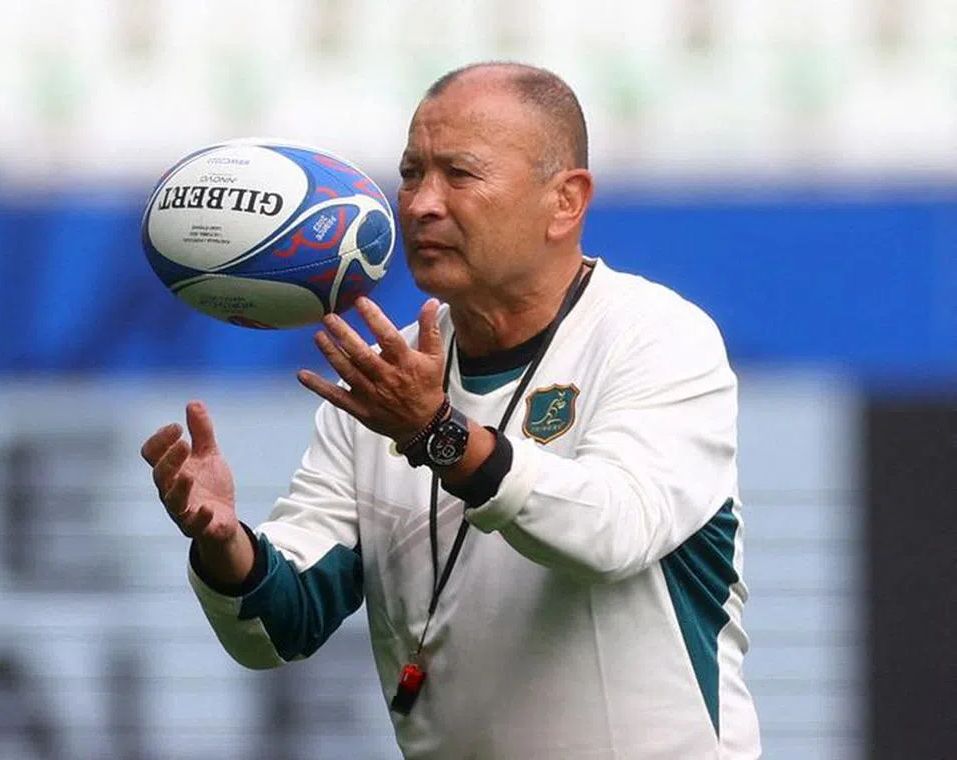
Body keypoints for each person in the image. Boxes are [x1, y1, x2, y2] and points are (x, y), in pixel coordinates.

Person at [140, 61, 761, 759]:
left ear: (566, 201)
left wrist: (435, 433)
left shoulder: (656, 336)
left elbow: (613, 532)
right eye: (411, 173)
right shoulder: (387, 381)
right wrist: (226, 547)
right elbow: (281, 627)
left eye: (459, 175)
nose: (421, 204)